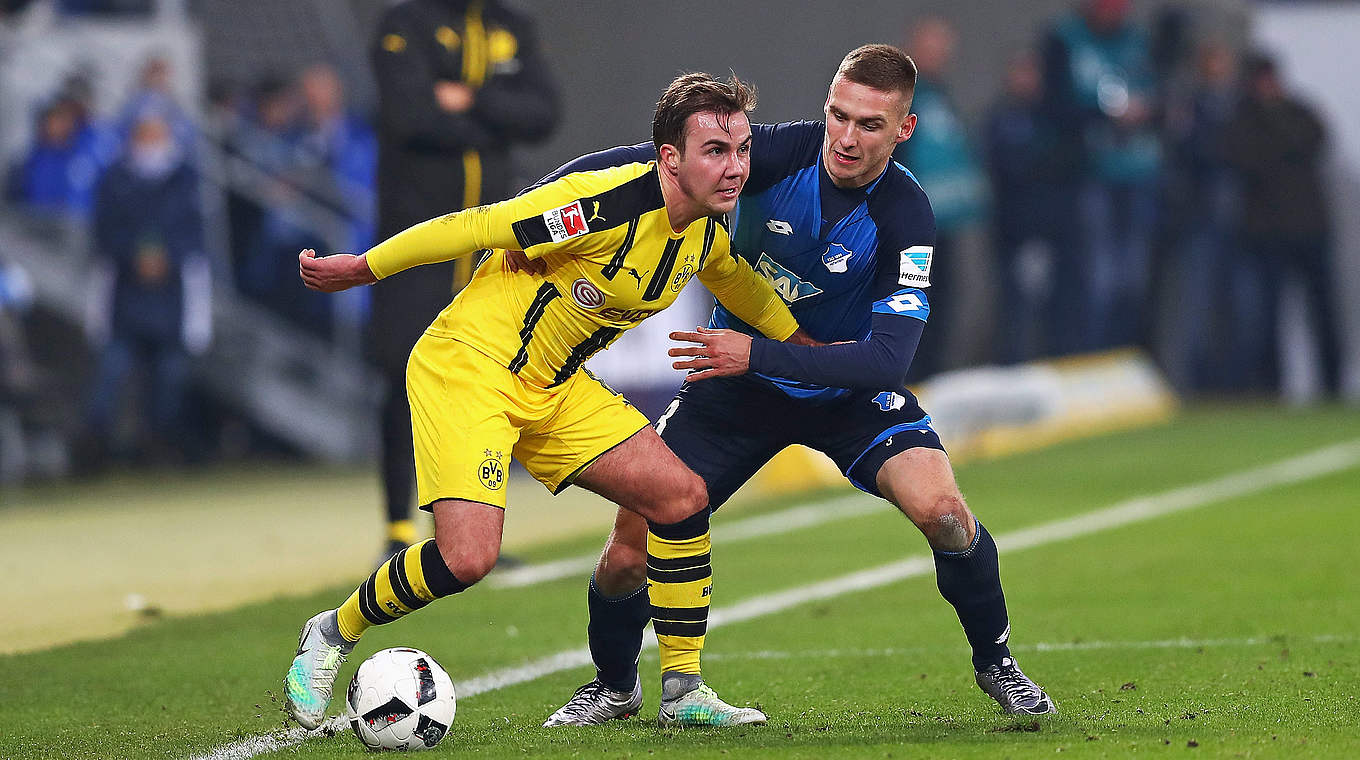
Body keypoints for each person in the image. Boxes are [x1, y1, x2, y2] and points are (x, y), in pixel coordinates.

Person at [533, 44, 1056, 728]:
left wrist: (758, 353)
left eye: (870, 124)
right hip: (736, 389)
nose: (845, 136)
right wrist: (534, 209)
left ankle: (997, 662)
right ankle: (614, 683)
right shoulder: (778, 154)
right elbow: (647, 160)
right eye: (837, 115)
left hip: (841, 393)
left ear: (905, 130)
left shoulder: (906, 215)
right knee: (628, 552)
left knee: (947, 515)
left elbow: (884, 363)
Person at [282, 72, 815, 731]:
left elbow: (741, 286)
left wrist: (811, 352)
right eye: (715, 151)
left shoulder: (703, 232)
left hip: (553, 388)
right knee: (467, 557)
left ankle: (683, 689)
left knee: (681, 497)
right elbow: (476, 224)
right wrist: (365, 267)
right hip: (471, 365)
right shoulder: (605, 202)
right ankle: (334, 631)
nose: (734, 168)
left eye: (740, 151)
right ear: (670, 158)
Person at [369, 0, 560, 561]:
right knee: (404, 374)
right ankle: (398, 528)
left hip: (490, 246)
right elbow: (410, 116)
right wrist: (493, 120)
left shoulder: (513, 26)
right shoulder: (406, 24)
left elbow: (543, 114)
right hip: (418, 241)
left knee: (485, 383)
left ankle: (469, 533)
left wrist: (471, 100)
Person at [81, 110, 210, 465]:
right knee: (112, 374)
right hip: (127, 298)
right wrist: (134, 256)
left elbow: (194, 243)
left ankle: (159, 448)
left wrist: (167, 258)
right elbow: (104, 240)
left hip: (170, 300)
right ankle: (96, 452)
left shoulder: (184, 179)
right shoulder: (116, 179)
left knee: (168, 381)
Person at [1042, 0, 1162, 352]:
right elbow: (1054, 107)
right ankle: (1095, 355)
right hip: (1090, 172)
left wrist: (1146, 111)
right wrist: (1103, 115)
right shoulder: (1065, 39)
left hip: (1138, 171)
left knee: (1134, 278)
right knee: (1098, 277)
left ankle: (1126, 352)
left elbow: (1158, 93)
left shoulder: (1137, 40)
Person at [1222, 53, 1341, 397]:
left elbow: (1315, 140)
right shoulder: (1243, 117)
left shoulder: (1298, 110)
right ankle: (1270, 386)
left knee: (1323, 312)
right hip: (1267, 233)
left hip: (1309, 229)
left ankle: (1331, 384)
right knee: (1265, 317)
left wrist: (1274, 128)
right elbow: (1242, 156)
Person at [890, 17, 991, 378]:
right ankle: (910, 375)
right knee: (910, 300)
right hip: (912, 228)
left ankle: (932, 375)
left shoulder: (942, 95)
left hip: (943, 223)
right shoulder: (899, 98)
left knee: (942, 299)